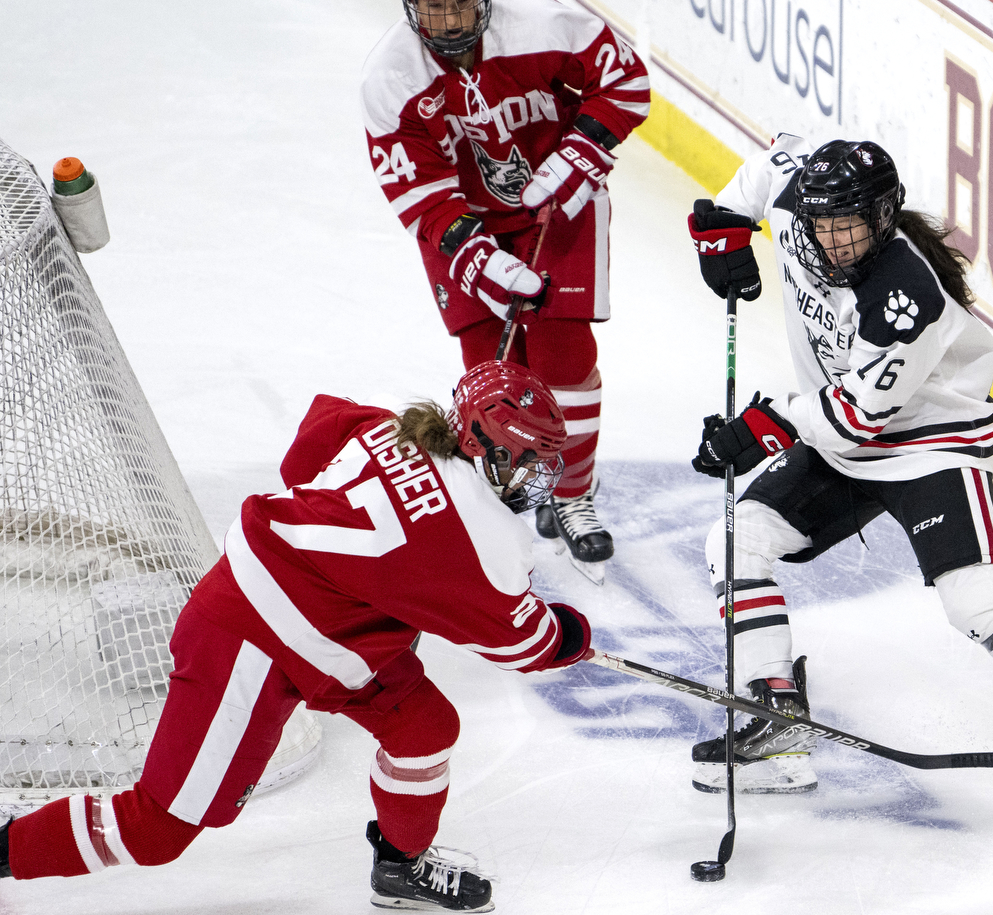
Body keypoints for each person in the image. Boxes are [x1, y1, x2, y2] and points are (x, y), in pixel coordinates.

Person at [0, 361, 593, 911]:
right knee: (157, 828)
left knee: (423, 725)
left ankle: (399, 869)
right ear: (484, 445)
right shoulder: (484, 536)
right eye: (529, 460)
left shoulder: (391, 420)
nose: (536, 477)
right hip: (248, 638)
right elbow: (528, 645)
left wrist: (370, 566)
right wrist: (572, 632)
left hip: (326, 629)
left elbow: (303, 455)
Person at [681, 135, 993, 814]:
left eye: (849, 226)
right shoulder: (800, 202)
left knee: (974, 600)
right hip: (840, 437)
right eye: (822, 225)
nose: (834, 241)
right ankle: (777, 716)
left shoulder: (908, 296)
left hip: (931, 444)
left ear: (883, 215)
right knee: (735, 542)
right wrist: (723, 229)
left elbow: (856, 420)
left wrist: (763, 425)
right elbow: (762, 171)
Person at [360, 0, 651, 580]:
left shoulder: (547, 26)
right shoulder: (390, 78)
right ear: (410, 5)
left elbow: (626, 82)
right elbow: (421, 194)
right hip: (460, 222)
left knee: (563, 357)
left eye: (459, 2)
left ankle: (571, 496)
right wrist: (483, 263)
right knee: (488, 376)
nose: (447, 19)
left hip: (560, 205)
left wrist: (579, 159)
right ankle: (498, 499)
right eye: (433, 6)